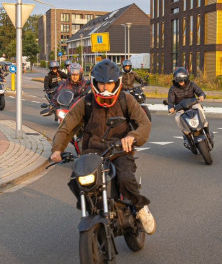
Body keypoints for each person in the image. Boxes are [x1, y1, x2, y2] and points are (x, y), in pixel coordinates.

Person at [50, 59, 155, 234]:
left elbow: (144, 124)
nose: (105, 87)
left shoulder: (126, 100)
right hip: (93, 151)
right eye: (102, 83)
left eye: (110, 83)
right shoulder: (86, 102)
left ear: (116, 83)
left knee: (125, 178)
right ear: (94, 82)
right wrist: (57, 149)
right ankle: (93, 211)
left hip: (120, 149)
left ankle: (141, 208)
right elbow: (67, 126)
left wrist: (132, 137)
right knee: (78, 181)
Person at [167, 67, 209, 140]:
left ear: (186, 78)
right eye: (179, 80)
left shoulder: (192, 84)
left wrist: (201, 96)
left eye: (182, 80)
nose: (181, 82)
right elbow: (171, 101)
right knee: (177, 118)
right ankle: (185, 131)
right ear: (175, 79)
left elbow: (200, 92)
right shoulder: (172, 89)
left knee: (200, 109)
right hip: (180, 107)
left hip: (193, 104)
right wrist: (171, 108)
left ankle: (204, 124)